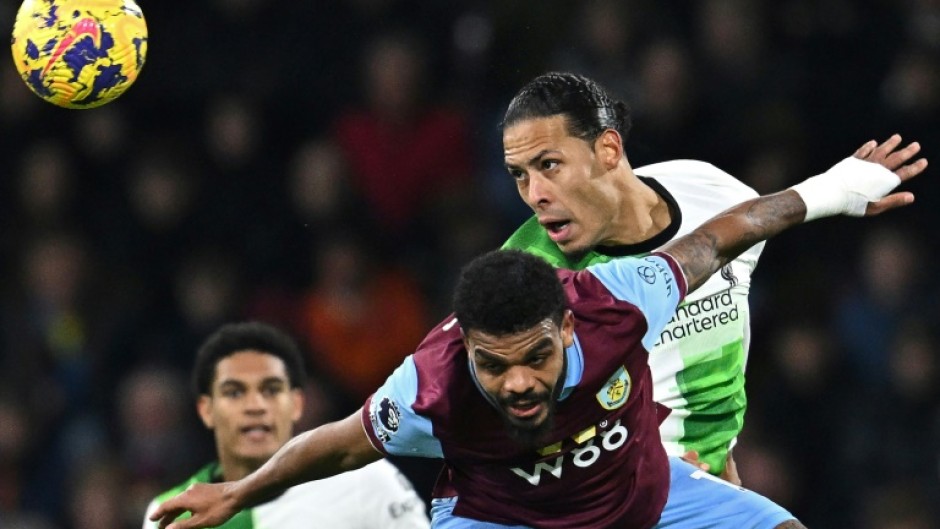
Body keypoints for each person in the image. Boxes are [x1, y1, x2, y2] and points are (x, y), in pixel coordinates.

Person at [149, 135, 925, 529]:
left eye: (535, 358)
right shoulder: (428, 388)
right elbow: (340, 440)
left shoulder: (618, 299)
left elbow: (728, 229)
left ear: (568, 323)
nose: (517, 381)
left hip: (634, 496)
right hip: (502, 517)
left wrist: (839, 187)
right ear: (468, 355)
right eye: (495, 367)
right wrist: (241, 492)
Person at [497, 72, 763, 478]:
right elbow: (503, 434)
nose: (535, 194)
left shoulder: (715, 195)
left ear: (607, 149)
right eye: (519, 174)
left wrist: (719, 487)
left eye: (549, 165)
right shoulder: (524, 277)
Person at [142, 321, 430, 528]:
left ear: (297, 404)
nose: (255, 405)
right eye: (234, 392)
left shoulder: (366, 480)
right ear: (206, 410)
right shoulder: (171, 512)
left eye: (271, 389)